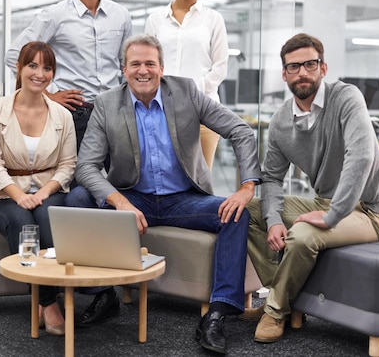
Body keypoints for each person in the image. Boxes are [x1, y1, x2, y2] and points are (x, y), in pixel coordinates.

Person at [64, 34, 261, 354]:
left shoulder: (185, 92)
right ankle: (103, 293)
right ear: (123, 69)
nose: (143, 71)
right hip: (133, 197)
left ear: (162, 67)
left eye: (150, 64)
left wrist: (246, 186)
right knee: (77, 199)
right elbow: (86, 167)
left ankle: (218, 313)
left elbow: (240, 130)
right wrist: (120, 201)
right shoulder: (106, 103)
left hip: (184, 199)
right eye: (135, 64)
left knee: (236, 213)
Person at [241, 33, 379, 343]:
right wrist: (274, 220)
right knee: (250, 212)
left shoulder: (347, 97)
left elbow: (359, 157)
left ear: (323, 68)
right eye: (293, 67)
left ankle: (275, 310)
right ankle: (285, 298)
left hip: (365, 212)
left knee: (304, 234)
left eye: (310, 64)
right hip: (322, 202)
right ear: (284, 74)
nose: (302, 73)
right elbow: (271, 178)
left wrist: (333, 215)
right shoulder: (281, 122)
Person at [0, 41, 77, 337]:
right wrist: (20, 196)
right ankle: (49, 303)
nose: (40, 73)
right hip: (8, 195)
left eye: (47, 67)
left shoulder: (63, 115)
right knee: (24, 223)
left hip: (50, 191)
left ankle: (51, 294)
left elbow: (68, 165)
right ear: (19, 69)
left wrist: (43, 192)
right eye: (32, 65)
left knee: (48, 218)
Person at [5, 0, 132, 151]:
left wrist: (129, 102)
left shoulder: (121, 15)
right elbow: (14, 56)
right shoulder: (55, 15)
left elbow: (127, 65)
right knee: (74, 179)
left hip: (114, 111)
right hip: (74, 113)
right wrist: (48, 95)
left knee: (122, 179)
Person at [144, 0, 228, 170]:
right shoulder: (155, 20)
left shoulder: (213, 19)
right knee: (163, 178)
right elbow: (147, 66)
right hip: (162, 113)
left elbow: (220, 67)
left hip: (204, 113)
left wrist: (189, 93)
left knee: (201, 182)